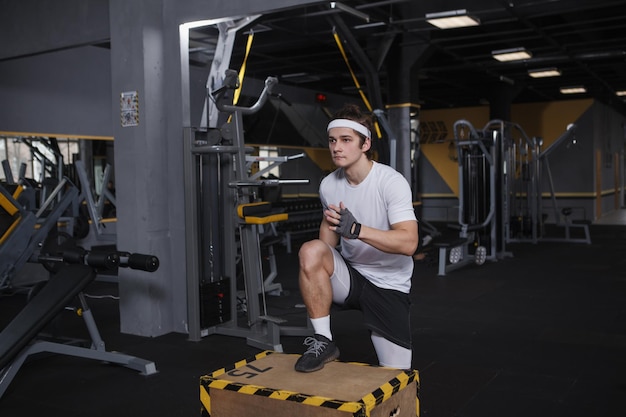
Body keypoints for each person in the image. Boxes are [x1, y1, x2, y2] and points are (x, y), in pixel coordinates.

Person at [294, 103, 419, 373]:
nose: (337, 147)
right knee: (310, 250)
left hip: (389, 284)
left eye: (346, 140)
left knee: (396, 374)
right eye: (332, 140)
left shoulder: (390, 181)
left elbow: (409, 243)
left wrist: (357, 230)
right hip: (351, 278)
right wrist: (315, 277)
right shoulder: (329, 184)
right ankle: (324, 340)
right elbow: (326, 244)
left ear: (365, 144)